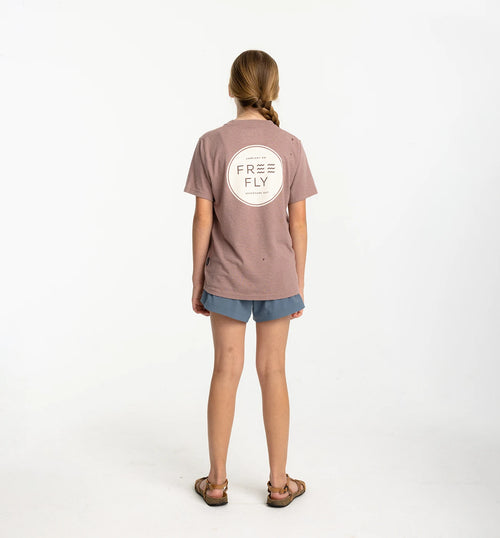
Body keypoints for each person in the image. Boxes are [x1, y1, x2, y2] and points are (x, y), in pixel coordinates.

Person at [184, 50, 318, 507]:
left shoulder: (211, 143)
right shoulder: (291, 144)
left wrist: (198, 278)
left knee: (226, 370)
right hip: (278, 276)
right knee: (273, 371)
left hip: (225, 276)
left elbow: (203, 219)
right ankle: (279, 485)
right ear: (272, 90)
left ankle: (216, 482)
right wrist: (297, 282)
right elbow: (299, 223)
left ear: (232, 88)